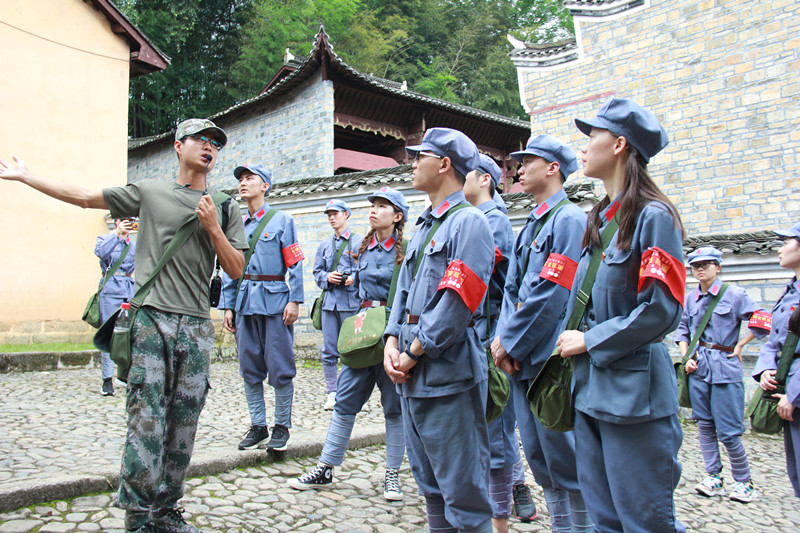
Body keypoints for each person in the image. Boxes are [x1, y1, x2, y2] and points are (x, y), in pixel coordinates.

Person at [0, 118, 248, 533]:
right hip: (150, 319)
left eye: (215, 143)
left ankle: (165, 509)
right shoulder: (149, 192)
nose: (209, 147)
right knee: (146, 419)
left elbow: (236, 268)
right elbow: (84, 198)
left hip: (195, 326)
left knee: (184, 423)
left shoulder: (224, 206)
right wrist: (27, 177)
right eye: (200, 140)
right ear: (178, 146)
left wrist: (212, 227)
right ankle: (137, 516)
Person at [554, 98, 687, 532]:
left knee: (645, 521)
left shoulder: (654, 217)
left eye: (593, 134)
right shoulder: (600, 219)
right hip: (590, 391)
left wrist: (590, 340)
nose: (584, 145)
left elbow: (662, 310)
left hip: (635, 398)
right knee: (605, 522)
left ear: (619, 145)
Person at [384, 127, 495, 532]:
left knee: (463, 493)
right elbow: (402, 290)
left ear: (445, 164)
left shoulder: (470, 223)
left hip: (447, 373)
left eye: (420, 157)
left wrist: (412, 352)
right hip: (412, 372)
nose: (412, 164)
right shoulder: (426, 225)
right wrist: (390, 340)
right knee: (429, 486)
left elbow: (456, 302)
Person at [491, 135, 592, 532]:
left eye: (528, 161)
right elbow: (511, 292)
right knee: (540, 458)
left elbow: (552, 293)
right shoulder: (534, 222)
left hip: (549, 363)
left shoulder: (568, 220)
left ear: (553, 168)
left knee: (565, 459)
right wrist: (504, 341)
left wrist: (510, 342)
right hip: (522, 361)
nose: (519, 169)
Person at [289, 186, 409, 500]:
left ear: (397, 216)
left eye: (382, 206)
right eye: (373, 205)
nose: (374, 210)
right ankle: (325, 467)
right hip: (364, 333)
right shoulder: (363, 248)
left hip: (392, 337)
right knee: (344, 399)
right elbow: (357, 289)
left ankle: (392, 475)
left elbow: (407, 294)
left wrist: (399, 337)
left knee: (394, 407)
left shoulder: (407, 249)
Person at [464, 154, 534, 531]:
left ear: (486, 180)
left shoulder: (494, 222)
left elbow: (486, 278)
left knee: (497, 423)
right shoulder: (471, 218)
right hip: (472, 330)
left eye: (468, 173)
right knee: (484, 422)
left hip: (490, 333)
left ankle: (507, 500)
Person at [219, 163, 304, 453]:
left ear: (264, 186)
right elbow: (231, 268)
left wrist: (295, 300)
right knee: (249, 366)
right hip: (244, 303)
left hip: (275, 303)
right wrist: (228, 306)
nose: (243, 183)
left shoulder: (282, 220)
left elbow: (295, 262)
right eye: (240, 179)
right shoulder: (237, 226)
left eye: (249, 178)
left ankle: (281, 426)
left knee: (280, 365)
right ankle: (258, 425)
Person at [676, 246, 770, 502]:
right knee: (704, 426)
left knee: (728, 430)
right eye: (695, 265)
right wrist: (686, 358)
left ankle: (743, 481)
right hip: (699, 369)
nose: (700, 269)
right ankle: (714, 477)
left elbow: (762, 320)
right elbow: (683, 330)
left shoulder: (735, 294)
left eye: (706, 264)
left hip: (725, 368)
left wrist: (741, 345)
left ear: (718, 267)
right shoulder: (690, 298)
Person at [752, 221, 800, 499]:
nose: (779, 250)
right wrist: (766, 369)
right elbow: (774, 341)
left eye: (786, 243)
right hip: (787, 390)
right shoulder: (790, 290)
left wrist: (794, 394)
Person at [313, 199, 362, 410]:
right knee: (329, 350)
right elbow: (317, 272)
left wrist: (354, 278)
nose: (332, 218)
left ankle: (355, 393)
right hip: (330, 304)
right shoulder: (324, 245)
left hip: (351, 303)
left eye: (336, 213)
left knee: (354, 349)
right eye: (329, 214)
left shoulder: (359, 242)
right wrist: (327, 277)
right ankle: (332, 392)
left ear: (346, 214)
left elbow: (367, 269)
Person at [95, 216, 136, 396]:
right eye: (124, 220)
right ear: (117, 221)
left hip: (129, 290)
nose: (127, 223)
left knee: (129, 334)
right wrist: (116, 235)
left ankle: (125, 375)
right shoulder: (106, 239)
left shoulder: (133, 244)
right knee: (110, 334)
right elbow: (101, 253)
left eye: (130, 220)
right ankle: (107, 380)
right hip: (111, 289)